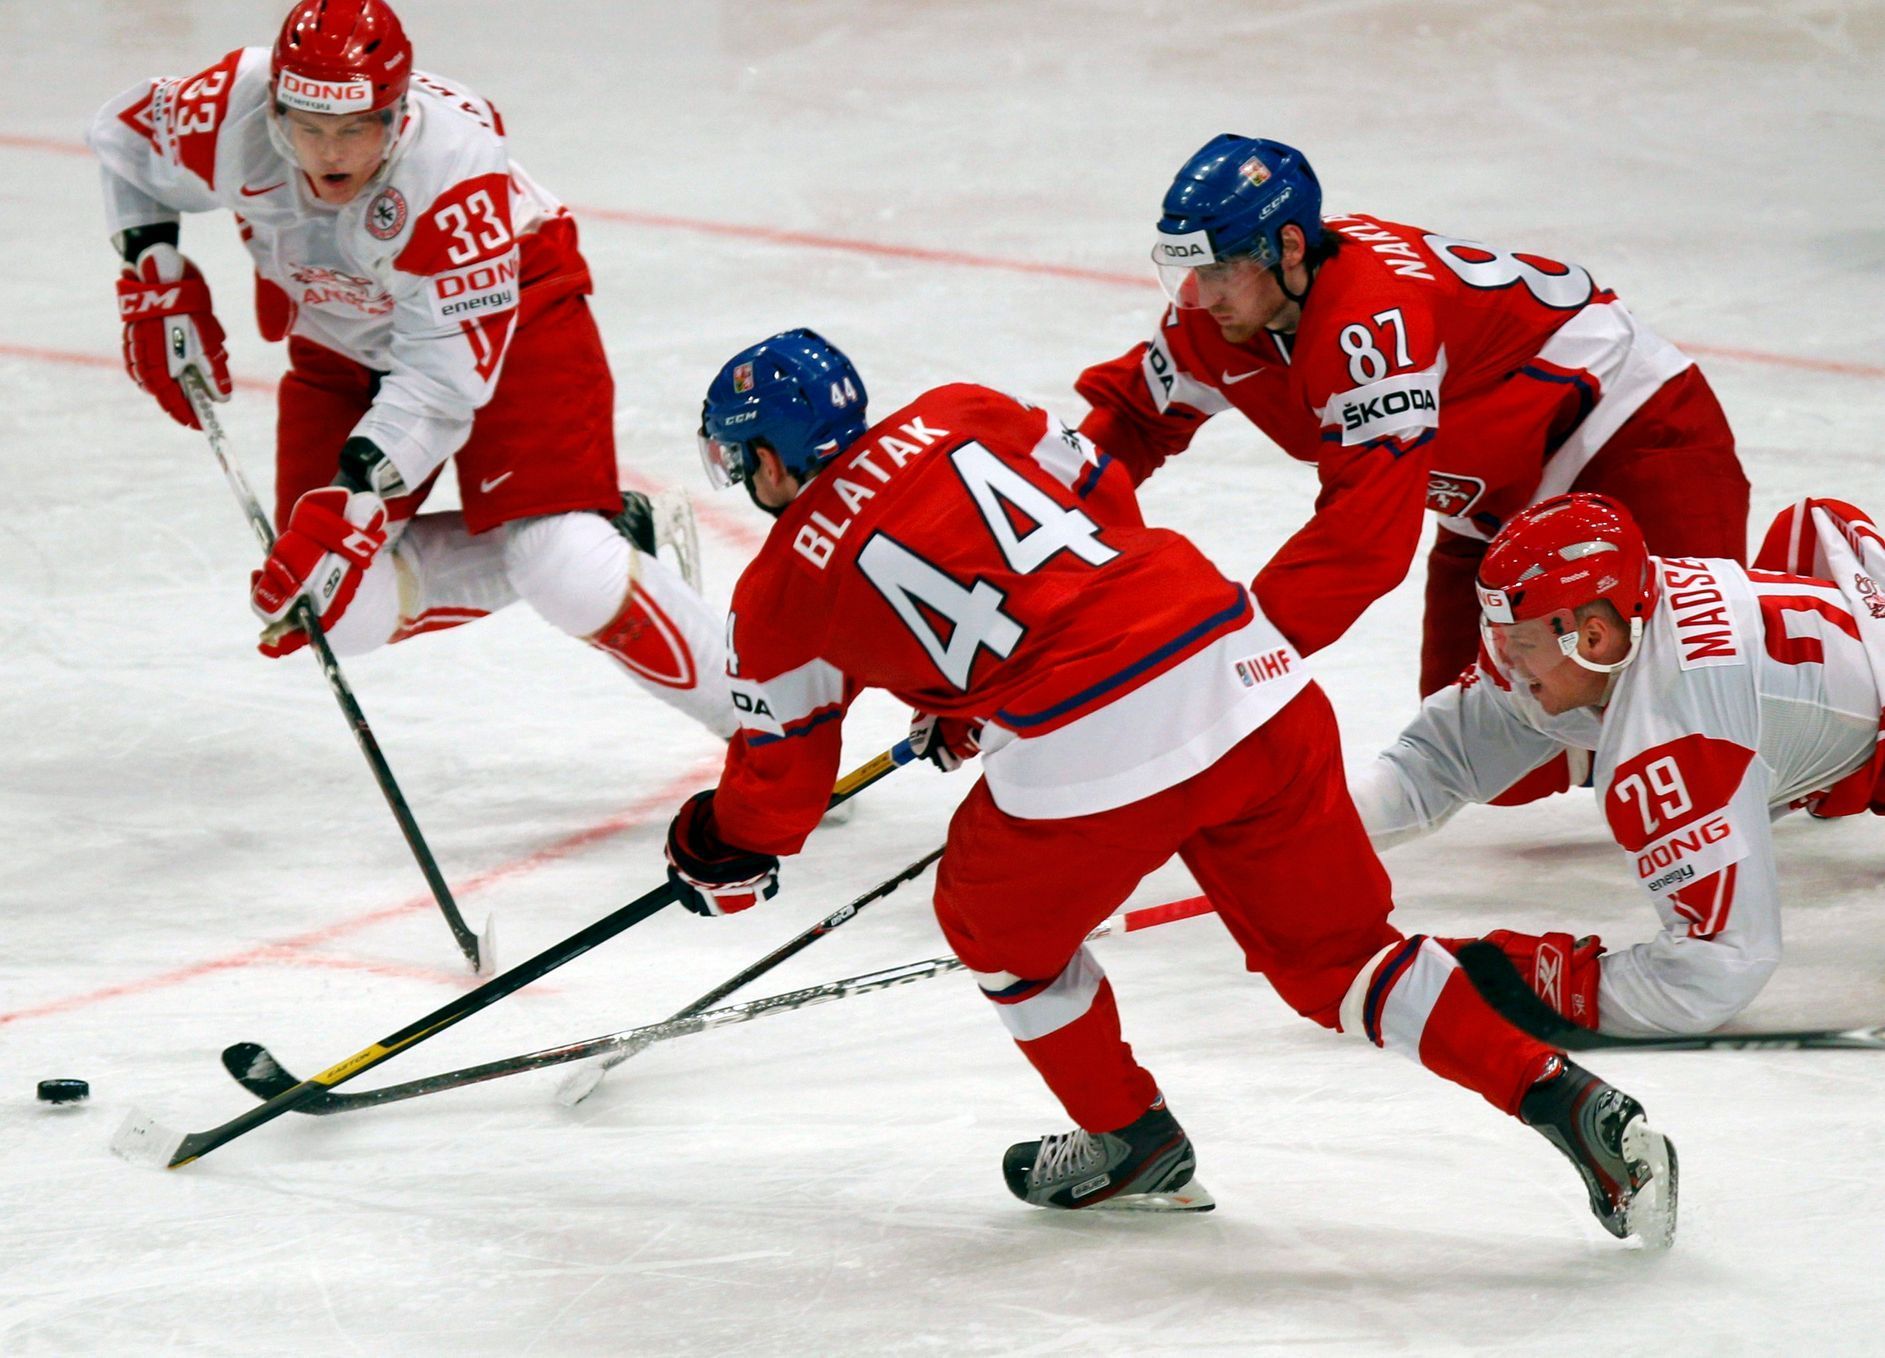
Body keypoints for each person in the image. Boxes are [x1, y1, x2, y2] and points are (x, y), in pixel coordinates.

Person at [658, 327, 1677, 1245]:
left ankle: (1128, 1139)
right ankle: (1564, 1098)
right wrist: (978, 678)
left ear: (765, 457)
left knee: (988, 921)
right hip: (1240, 663)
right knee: (1339, 960)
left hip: (1091, 749)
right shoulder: (961, 407)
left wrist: (712, 841)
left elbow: (778, 799)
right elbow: (1098, 493)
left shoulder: (780, 585)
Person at [86, 0, 732, 737]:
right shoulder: (228, 108)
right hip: (339, 340)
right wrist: (151, 272)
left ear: (395, 115)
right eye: (309, 128)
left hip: (512, 318)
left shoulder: (455, 173)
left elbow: (440, 386)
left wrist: (355, 501)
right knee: (333, 607)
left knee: (565, 568)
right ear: (275, 108)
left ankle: (764, 731)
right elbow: (125, 141)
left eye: (355, 129)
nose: (330, 153)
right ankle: (617, 524)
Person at [1075, 136, 1749, 726]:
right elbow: (1130, 422)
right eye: (1192, 269)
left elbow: (1362, 538)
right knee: (1497, 742)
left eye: (1224, 268)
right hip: (1491, 508)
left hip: (1628, 441)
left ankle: (1834, 629)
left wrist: (1229, 656)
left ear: (1287, 246)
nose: (1204, 293)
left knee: (1710, 709)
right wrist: (1045, 544)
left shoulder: (1369, 320)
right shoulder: (1211, 320)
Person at [1350, 493, 1885, 1036]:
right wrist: (1290, 838)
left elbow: (1716, 972)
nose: (1505, 664)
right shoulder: (1616, 622)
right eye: (1500, 637)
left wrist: (1532, 989)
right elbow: (1435, 763)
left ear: (1593, 637)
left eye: (1523, 643)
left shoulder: (1672, 731)